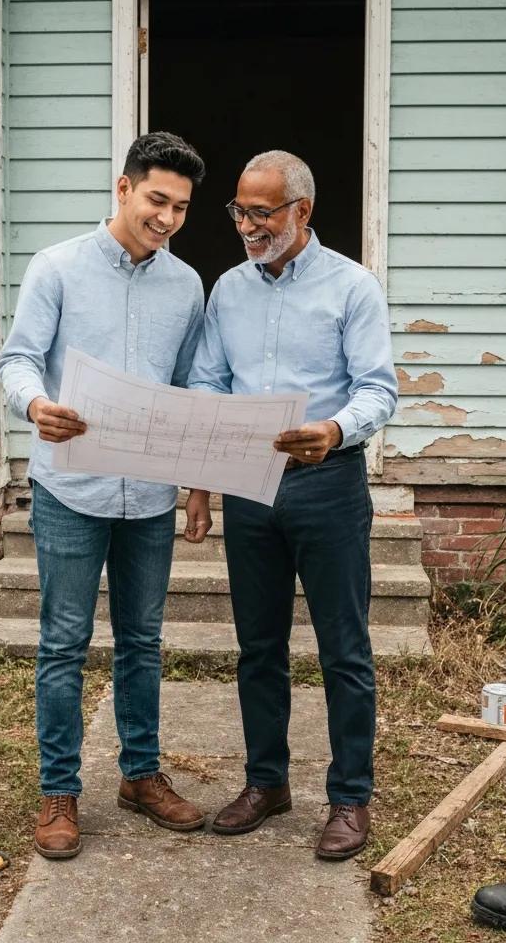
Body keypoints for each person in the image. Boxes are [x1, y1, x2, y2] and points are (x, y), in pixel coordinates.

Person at [0, 132, 211, 860]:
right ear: (123, 189)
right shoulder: (55, 267)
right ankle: (59, 792)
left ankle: (141, 776)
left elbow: (191, 391)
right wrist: (34, 406)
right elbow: (19, 359)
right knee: (62, 645)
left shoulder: (187, 286)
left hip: (148, 497)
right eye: (157, 200)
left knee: (143, 644)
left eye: (181, 207)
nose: (168, 218)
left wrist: (198, 483)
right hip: (70, 488)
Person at [186, 150, 398, 860]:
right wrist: (201, 481)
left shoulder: (352, 287)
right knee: (259, 648)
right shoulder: (229, 290)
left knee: (344, 649)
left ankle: (350, 799)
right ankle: (266, 782)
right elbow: (209, 383)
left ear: (302, 212)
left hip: (328, 481)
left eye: (262, 213)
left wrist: (336, 429)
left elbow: (379, 387)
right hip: (252, 481)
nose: (247, 226)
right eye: (239, 211)